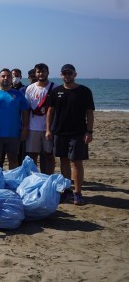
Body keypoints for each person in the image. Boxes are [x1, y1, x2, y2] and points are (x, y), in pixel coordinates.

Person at [46, 64, 94, 206]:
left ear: (75, 74)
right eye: (64, 73)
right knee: (64, 161)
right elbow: (50, 112)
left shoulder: (84, 91)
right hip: (60, 132)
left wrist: (89, 131)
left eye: (69, 73)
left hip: (78, 133)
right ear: (61, 75)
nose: (67, 75)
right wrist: (48, 130)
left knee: (76, 162)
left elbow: (89, 113)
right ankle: (67, 191)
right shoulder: (56, 91)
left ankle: (78, 193)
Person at [0, 68, 30, 169]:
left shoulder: (18, 94)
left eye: (8, 76)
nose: (6, 78)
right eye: (3, 76)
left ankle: (12, 181)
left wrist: (25, 129)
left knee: (13, 158)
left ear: (11, 79)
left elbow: (25, 112)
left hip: (14, 133)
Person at [25, 63, 56, 174]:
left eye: (43, 71)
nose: (41, 74)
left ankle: (48, 177)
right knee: (32, 154)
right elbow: (27, 109)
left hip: (49, 128)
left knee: (48, 154)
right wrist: (25, 127)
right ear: (35, 73)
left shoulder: (55, 88)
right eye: (38, 71)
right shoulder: (30, 89)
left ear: (48, 72)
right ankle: (34, 177)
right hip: (33, 127)